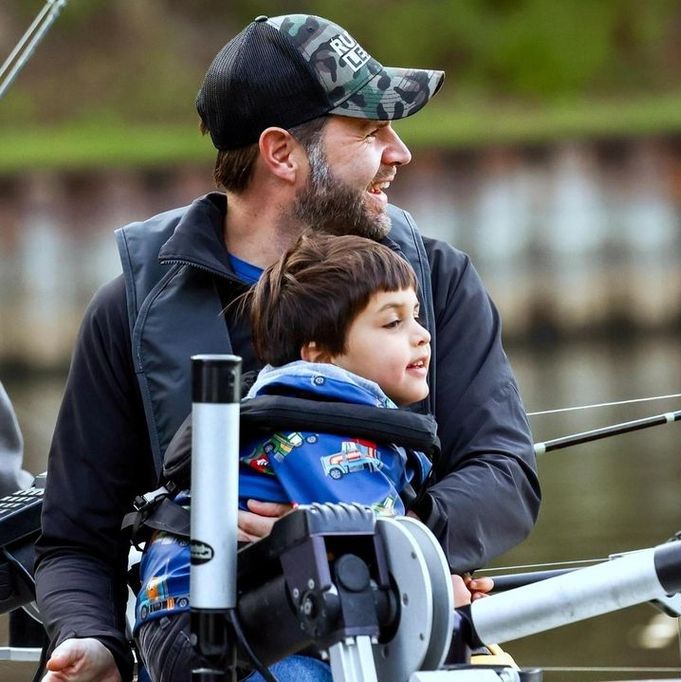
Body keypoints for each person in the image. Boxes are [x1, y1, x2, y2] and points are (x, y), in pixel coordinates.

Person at [35, 13, 540, 682]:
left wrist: (360, 536)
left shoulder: (438, 284)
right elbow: (75, 540)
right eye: (368, 130)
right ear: (281, 153)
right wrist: (92, 637)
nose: (400, 153)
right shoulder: (126, 313)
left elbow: (505, 475)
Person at [136, 233, 486, 680]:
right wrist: (443, 593)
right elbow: (379, 544)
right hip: (206, 618)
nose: (422, 336)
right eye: (392, 323)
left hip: (187, 614)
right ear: (318, 351)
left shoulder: (319, 411)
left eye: (415, 316)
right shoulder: (330, 433)